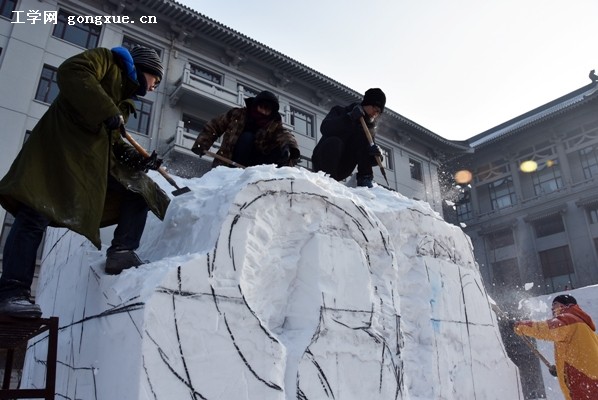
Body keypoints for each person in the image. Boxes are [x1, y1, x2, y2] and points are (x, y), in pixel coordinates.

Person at [0, 46, 171, 318]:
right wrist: (106, 109)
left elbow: (112, 143)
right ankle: (11, 293)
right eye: (155, 80)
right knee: (34, 214)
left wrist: (139, 160)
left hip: (86, 166)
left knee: (141, 190)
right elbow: (72, 71)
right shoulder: (107, 61)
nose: (153, 87)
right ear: (144, 68)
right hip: (57, 153)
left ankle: (122, 251)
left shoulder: (124, 102)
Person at [514, 294, 598, 399]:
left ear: (566, 305)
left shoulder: (568, 319)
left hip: (585, 383)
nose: (552, 308)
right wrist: (562, 371)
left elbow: (546, 329)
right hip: (590, 382)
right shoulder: (586, 328)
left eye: (555, 304)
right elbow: (582, 357)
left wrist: (521, 326)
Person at [191, 90, 300, 168]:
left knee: (280, 150)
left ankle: (271, 177)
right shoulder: (237, 115)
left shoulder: (273, 126)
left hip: (256, 164)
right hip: (229, 162)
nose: (263, 112)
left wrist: (290, 149)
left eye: (267, 109)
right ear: (255, 105)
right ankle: (236, 169)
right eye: (262, 107)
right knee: (247, 137)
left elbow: (286, 135)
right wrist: (202, 144)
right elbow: (214, 125)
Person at [311, 88, 386, 188]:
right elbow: (325, 128)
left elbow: (369, 158)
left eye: (379, 112)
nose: (375, 114)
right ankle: (328, 181)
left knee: (364, 140)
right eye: (375, 109)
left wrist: (378, 154)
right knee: (335, 142)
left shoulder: (368, 129)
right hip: (323, 161)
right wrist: (349, 118)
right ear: (367, 103)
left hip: (343, 167)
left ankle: (365, 178)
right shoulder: (339, 111)